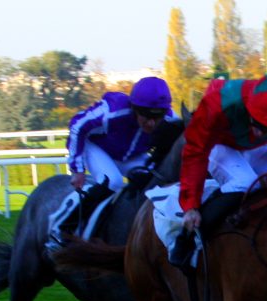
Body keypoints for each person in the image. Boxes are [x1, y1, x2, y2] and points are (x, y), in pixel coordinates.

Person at [170, 73, 267, 267]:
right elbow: (196, 150)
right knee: (245, 182)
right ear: (248, 107)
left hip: (256, 148)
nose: (259, 132)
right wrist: (190, 205)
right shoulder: (217, 103)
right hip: (218, 144)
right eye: (258, 123)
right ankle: (189, 236)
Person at [47, 76, 175, 249]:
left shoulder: (170, 119)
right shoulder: (113, 110)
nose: (151, 123)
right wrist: (77, 170)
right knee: (112, 181)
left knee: (155, 180)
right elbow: (77, 126)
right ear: (135, 109)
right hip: (97, 147)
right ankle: (61, 230)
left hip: (130, 155)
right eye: (145, 116)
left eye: (157, 116)